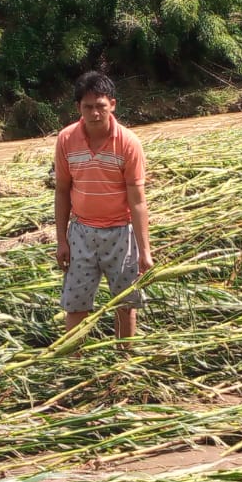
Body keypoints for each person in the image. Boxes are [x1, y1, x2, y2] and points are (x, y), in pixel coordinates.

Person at [54, 71, 153, 342]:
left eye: (101, 106)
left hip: (120, 232)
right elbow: (62, 191)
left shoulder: (128, 143)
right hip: (81, 233)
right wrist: (62, 240)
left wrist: (145, 251)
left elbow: (138, 199)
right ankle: (74, 361)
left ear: (113, 104)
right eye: (88, 107)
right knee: (75, 303)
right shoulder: (65, 139)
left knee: (125, 302)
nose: (95, 113)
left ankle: (124, 360)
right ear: (78, 108)